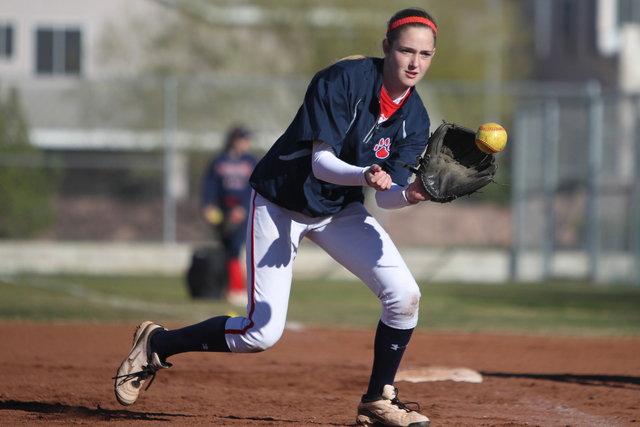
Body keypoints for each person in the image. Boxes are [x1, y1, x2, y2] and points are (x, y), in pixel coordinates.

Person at [114, 7, 437, 426]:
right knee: (259, 334)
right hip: (280, 202)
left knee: (405, 295)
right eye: (406, 50)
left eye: (425, 54)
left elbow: (387, 198)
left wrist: (412, 193)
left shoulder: (416, 119)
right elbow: (322, 162)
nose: (414, 63)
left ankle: (377, 400)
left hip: (338, 210)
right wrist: (365, 174)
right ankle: (158, 343)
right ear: (386, 48)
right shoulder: (343, 80)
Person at [201, 125, 258, 305]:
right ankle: (229, 289)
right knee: (226, 250)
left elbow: (253, 186)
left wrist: (243, 208)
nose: (247, 143)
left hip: (242, 211)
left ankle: (237, 289)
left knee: (235, 248)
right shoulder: (219, 161)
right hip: (223, 211)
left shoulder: (251, 161)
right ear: (234, 140)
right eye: (244, 139)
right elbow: (210, 185)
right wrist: (207, 205)